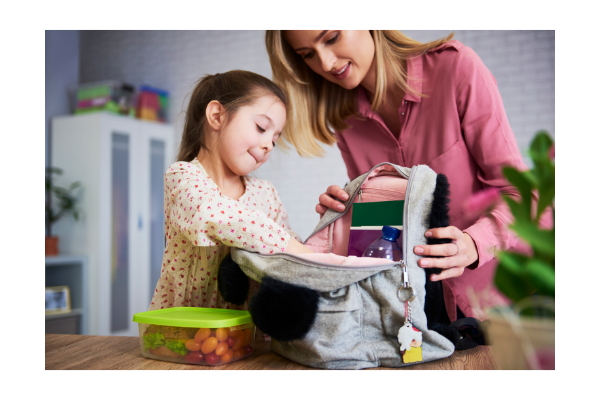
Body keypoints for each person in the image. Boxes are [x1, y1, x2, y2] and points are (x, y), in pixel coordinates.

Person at [266, 29, 551, 321]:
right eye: (308, 55)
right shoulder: (346, 117)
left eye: (332, 37)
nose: (325, 63)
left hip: (514, 298)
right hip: (426, 311)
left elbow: (522, 194)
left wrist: (473, 244)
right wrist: (346, 217)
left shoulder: (455, 68)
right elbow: (386, 227)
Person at [149, 70, 312, 311]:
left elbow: (287, 254)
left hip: (248, 335)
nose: (268, 145)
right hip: (185, 334)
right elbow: (213, 215)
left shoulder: (266, 193)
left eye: (275, 139)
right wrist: (291, 246)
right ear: (217, 116)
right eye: (260, 127)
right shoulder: (183, 177)